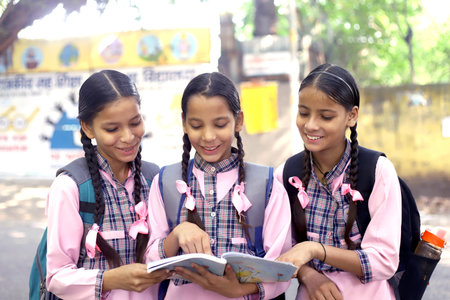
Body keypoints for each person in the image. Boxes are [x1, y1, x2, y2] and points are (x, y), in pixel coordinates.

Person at [146, 72, 292, 299]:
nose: (208, 136)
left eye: (220, 124)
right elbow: (150, 259)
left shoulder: (268, 185)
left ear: (239, 121)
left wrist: (240, 288)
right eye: (196, 125)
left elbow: (281, 267)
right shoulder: (165, 182)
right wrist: (176, 236)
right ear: (184, 123)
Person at [276, 63, 402, 299]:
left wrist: (316, 250)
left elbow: (384, 261)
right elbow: (280, 252)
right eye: (304, 113)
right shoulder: (286, 174)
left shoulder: (377, 171)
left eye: (326, 116)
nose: (311, 125)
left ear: (351, 116)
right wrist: (309, 276)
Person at [46, 70, 171, 299]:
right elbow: (56, 277)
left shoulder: (156, 179)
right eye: (112, 129)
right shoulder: (70, 187)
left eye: (135, 123)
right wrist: (112, 279)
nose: (128, 137)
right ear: (88, 128)